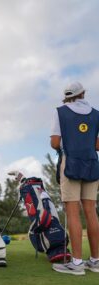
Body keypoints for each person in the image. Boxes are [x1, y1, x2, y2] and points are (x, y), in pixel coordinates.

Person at [51, 82, 99, 275]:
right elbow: (97, 144)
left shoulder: (60, 111)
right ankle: (96, 261)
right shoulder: (96, 113)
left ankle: (77, 263)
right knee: (91, 211)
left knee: (72, 211)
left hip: (70, 163)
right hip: (92, 164)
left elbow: (55, 142)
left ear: (66, 96)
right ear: (83, 94)